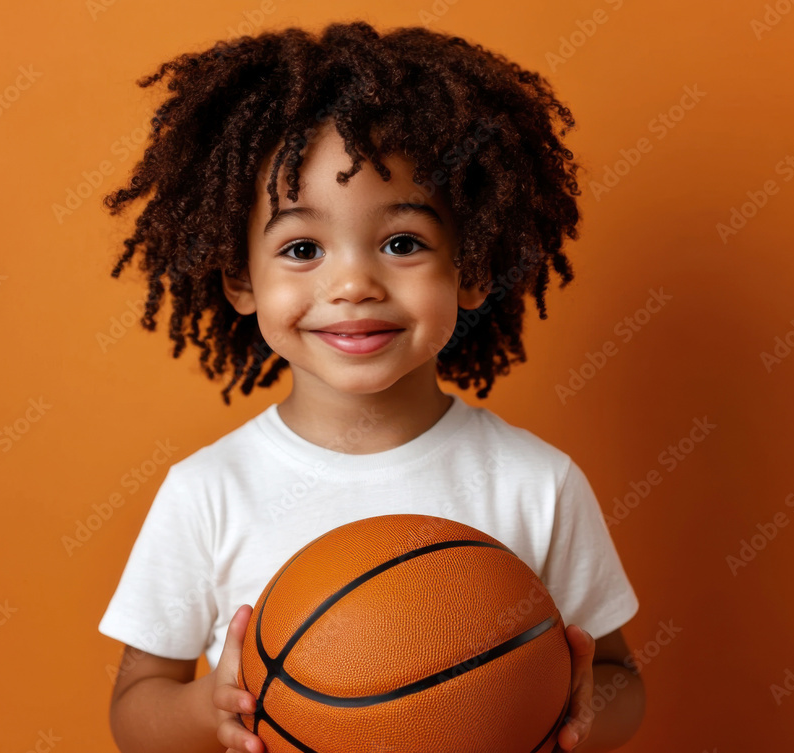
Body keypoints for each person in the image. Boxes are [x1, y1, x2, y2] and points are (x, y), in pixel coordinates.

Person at [97, 20, 645, 753]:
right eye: (301, 248)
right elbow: (137, 705)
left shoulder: (536, 483)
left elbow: (618, 676)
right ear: (239, 279)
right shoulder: (209, 491)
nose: (353, 284)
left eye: (403, 243)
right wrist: (208, 709)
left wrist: (575, 711)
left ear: (473, 266)